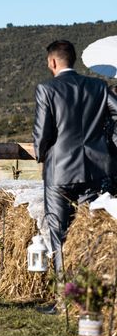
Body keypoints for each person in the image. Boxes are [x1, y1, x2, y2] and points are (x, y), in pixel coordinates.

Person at [33, 40, 117, 278]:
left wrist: (42, 154)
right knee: (90, 232)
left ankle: (64, 298)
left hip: (59, 172)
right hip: (96, 170)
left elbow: (41, 133)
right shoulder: (98, 86)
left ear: (52, 61)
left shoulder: (47, 89)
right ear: (73, 60)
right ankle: (90, 292)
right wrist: (107, 141)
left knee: (59, 235)